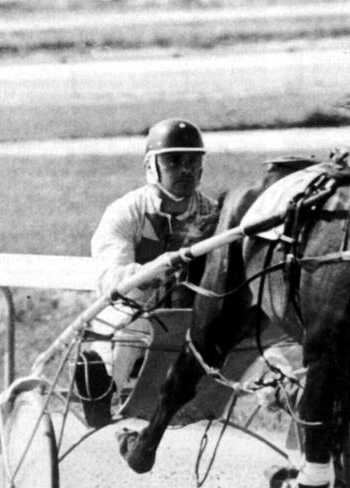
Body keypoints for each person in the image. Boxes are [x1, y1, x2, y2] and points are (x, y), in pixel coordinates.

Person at [74, 118, 218, 427]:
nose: (185, 169)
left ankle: (276, 392)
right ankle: (102, 388)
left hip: (190, 318)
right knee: (130, 326)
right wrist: (158, 269)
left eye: (193, 161)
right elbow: (111, 281)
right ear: (153, 166)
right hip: (135, 315)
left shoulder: (214, 214)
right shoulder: (126, 211)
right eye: (174, 161)